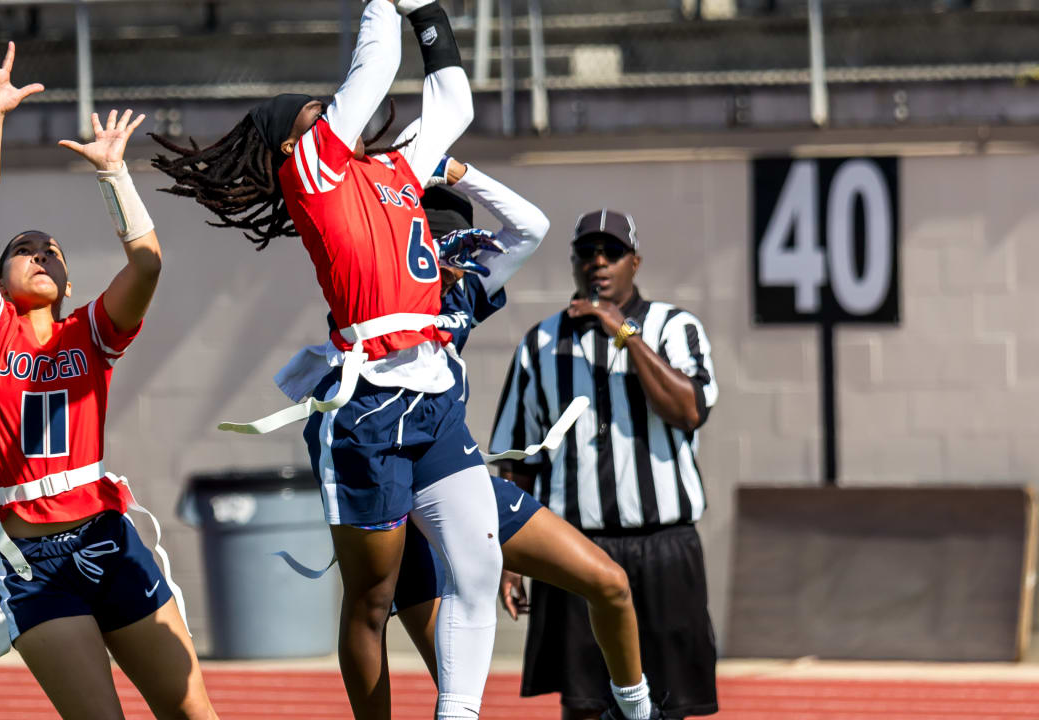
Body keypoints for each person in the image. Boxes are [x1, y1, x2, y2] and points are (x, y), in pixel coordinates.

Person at [152, 3, 502, 719]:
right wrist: (384, 3)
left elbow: (454, 100)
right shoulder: (310, 174)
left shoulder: (393, 169)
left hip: (432, 390)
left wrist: (430, 14)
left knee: (480, 565)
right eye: (315, 112)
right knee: (372, 601)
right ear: (289, 146)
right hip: (369, 404)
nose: (333, 115)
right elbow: (373, 72)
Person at [0, 38, 216, 719]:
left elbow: (149, 264)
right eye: (23, 250)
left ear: (68, 280)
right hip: (31, 558)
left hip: (105, 534)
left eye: (51, 252)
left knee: (195, 714)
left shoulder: (89, 333)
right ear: (0, 277)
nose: (37, 253)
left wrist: (114, 175)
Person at [386, 161, 663, 720]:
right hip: (387, 476)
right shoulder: (379, 294)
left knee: (608, 583)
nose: (461, 264)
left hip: (450, 470)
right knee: (415, 647)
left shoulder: (462, 293)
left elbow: (527, 227)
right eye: (445, 250)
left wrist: (457, 172)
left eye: (464, 251)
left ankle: (637, 714)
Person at [489, 209, 720, 720]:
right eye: (587, 253)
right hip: (575, 548)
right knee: (586, 705)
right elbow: (520, 460)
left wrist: (626, 333)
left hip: (662, 546)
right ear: (573, 263)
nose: (598, 263)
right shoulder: (540, 343)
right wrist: (511, 559)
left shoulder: (674, 328)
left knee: (668, 705)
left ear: (634, 262)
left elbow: (688, 411)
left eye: (611, 252)